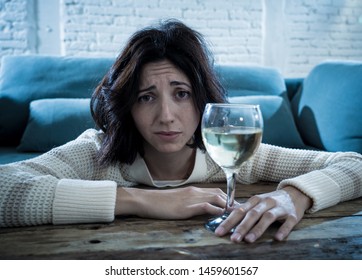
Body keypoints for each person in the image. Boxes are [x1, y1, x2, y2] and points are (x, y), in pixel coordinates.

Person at [0, 20, 361, 244]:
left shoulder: (233, 157)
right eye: (146, 97)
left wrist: (294, 198)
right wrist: (145, 201)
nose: (166, 116)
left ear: (202, 100)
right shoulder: (96, 155)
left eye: (182, 94)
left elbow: (354, 165)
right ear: (128, 106)